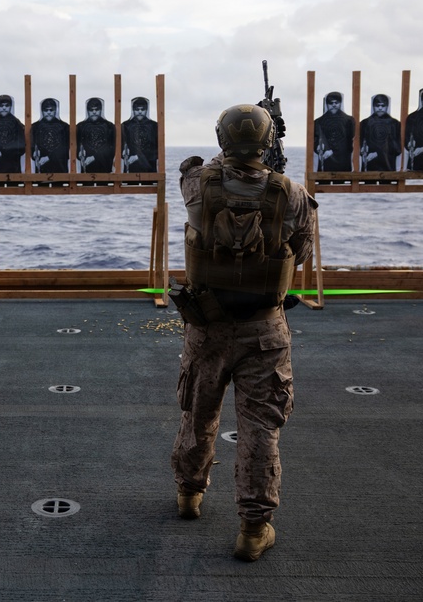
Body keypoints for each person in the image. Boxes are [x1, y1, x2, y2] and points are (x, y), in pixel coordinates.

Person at [170, 104, 316, 563]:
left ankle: (189, 494)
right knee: (260, 428)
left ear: (221, 140)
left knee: (198, 412)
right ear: (269, 143)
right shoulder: (291, 194)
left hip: (207, 325)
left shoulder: (198, 185)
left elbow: (199, 168)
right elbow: (301, 253)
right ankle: (254, 529)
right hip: (264, 329)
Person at [0, 94, 26, 173]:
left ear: (10, 107)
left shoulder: (17, 124)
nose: (4, 108)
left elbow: (21, 147)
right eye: (1, 105)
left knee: (13, 185)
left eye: (7, 105)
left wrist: (2, 153)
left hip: (13, 166)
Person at [358, 94, 402, 172]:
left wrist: (378, 153)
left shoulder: (395, 124)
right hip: (369, 165)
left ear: (387, 106)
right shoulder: (365, 123)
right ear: (373, 106)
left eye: (383, 105)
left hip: (388, 165)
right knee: (369, 183)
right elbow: (360, 145)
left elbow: (397, 147)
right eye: (377, 105)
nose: (380, 108)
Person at [313, 91, 355, 172]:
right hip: (325, 161)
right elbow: (315, 141)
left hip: (343, 160)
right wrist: (318, 148)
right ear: (327, 104)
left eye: (336, 102)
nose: (334, 105)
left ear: (340, 103)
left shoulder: (350, 121)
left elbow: (352, 142)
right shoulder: (318, 122)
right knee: (324, 183)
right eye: (330, 103)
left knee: (341, 183)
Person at [75, 97, 116, 173]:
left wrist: (94, 157)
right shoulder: (80, 127)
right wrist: (79, 153)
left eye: (96, 109)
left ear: (101, 110)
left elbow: (112, 149)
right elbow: (75, 146)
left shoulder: (109, 126)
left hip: (105, 168)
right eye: (91, 110)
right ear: (87, 111)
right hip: (85, 170)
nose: (94, 112)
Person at [31, 98, 70, 173]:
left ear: (55, 110)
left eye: (51, 110)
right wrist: (34, 153)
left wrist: (49, 157)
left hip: (60, 169)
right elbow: (31, 145)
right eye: (46, 110)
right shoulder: (35, 127)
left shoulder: (64, 127)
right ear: (42, 111)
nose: (48, 112)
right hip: (41, 169)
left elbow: (65, 149)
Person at [121, 96, 158, 172]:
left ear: (146, 110)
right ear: (133, 110)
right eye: (137, 109)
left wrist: (138, 157)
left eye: (142, 109)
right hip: (131, 169)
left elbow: (156, 150)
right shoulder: (126, 125)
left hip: (149, 169)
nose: (140, 112)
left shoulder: (154, 126)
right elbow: (120, 147)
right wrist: (123, 153)